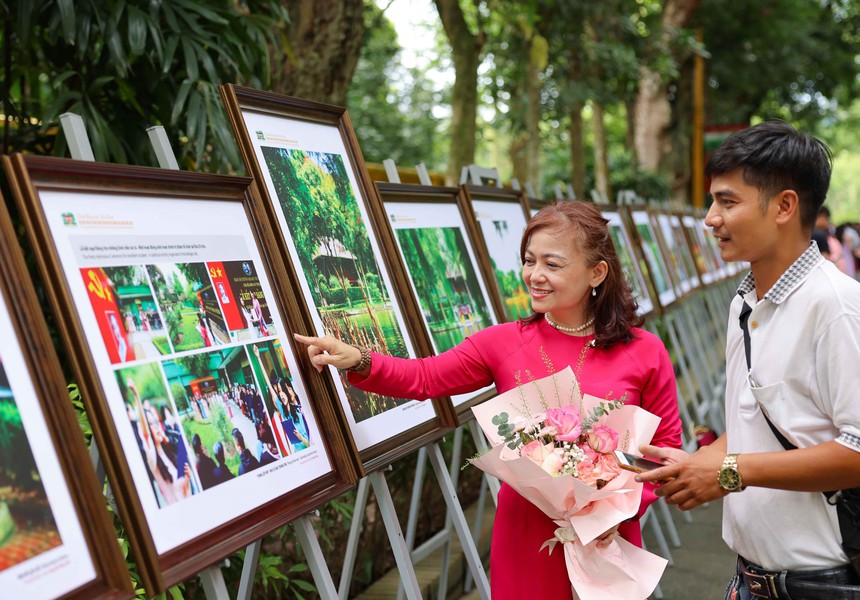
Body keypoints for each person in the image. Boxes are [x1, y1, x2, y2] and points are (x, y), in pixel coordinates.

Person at [294, 200, 682, 599]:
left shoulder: (645, 351)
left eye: (553, 264)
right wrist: (359, 359)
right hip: (525, 535)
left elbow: (667, 450)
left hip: (608, 537)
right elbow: (425, 377)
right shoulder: (501, 343)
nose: (535, 275)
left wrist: (620, 509)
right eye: (529, 261)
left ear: (596, 272)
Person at [638, 120, 860, 599]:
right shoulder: (744, 303)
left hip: (821, 585)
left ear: (784, 206)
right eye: (713, 201)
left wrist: (728, 470)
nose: (710, 218)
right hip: (749, 579)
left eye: (728, 201)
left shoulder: (836, 307)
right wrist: (699, 464)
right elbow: (754, 426)